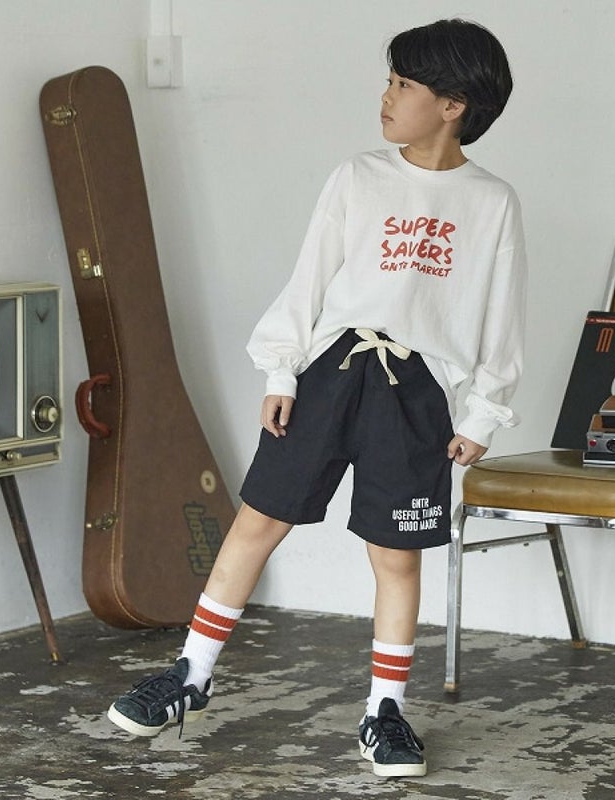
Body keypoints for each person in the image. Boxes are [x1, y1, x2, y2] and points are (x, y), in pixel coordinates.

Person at [107, 17, 527, 779]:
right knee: (258, 520)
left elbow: (502, 312)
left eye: (403, 83)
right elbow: (310, 278)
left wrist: (482, 413)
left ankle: (384, 712)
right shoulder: (358, 177)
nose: (386, 96)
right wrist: (281, 372)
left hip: (416, 392)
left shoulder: (491, 202)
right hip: (330, 372)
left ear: (452, 104)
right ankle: (192, 673)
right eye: (389, 80)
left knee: (395, 555)